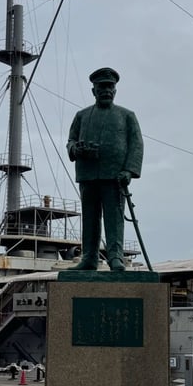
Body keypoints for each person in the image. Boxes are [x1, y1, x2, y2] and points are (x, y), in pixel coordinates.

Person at [66, 67, 144, 271]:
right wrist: (76, 149)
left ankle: (115, 257)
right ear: (94, 91)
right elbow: (71, 140)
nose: (106, 90)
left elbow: (136, 144)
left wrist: (129, 170)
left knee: (114, 218)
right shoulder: (81, 116)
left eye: (110, 86)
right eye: (101, 87)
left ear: (115, 90)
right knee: (90, 218)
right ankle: (89, 257)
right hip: (88, 175)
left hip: (115, 176)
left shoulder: (126, 115)